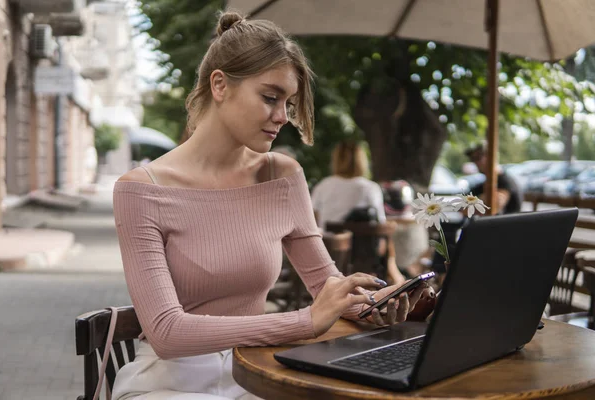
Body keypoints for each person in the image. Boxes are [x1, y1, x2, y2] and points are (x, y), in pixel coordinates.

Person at [111, 12, 428, 400]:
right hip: (170, 381)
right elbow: (167, 333)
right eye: (270, 97)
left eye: (288, 102)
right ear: (220, 85)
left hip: (255, 372)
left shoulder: (281, 174)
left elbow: (324, 284)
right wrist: (305, 321)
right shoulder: (141, 190)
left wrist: (372, 303)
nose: (282, 117)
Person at [311, 140, 407, 286]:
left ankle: (395, 274)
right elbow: (379, 226)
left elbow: (314, 222)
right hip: (363, 259)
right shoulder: (370, 188)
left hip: (329, 256)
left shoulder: (323, 186)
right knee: (386, 237)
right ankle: (395, 276)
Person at [465, 142, 523, 214]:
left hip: (503, 224)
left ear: (491, 157)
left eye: (478, 158)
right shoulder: (485, 184)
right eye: (472, 159)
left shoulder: (504, 182)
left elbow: (490, 207)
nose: (475, 162)